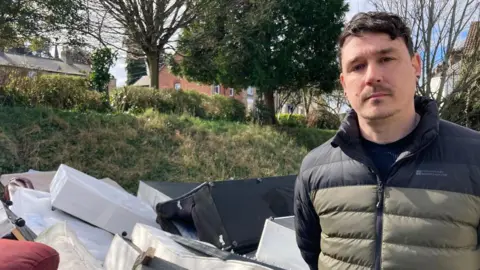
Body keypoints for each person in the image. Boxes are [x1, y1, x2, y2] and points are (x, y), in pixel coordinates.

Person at [293, 11, 480, 270]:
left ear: (416, 66)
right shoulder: (314, 169)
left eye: (386, 58)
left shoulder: (474, 157)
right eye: (358, 66)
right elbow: (312, 253)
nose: (372, 76)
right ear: (345, 84)